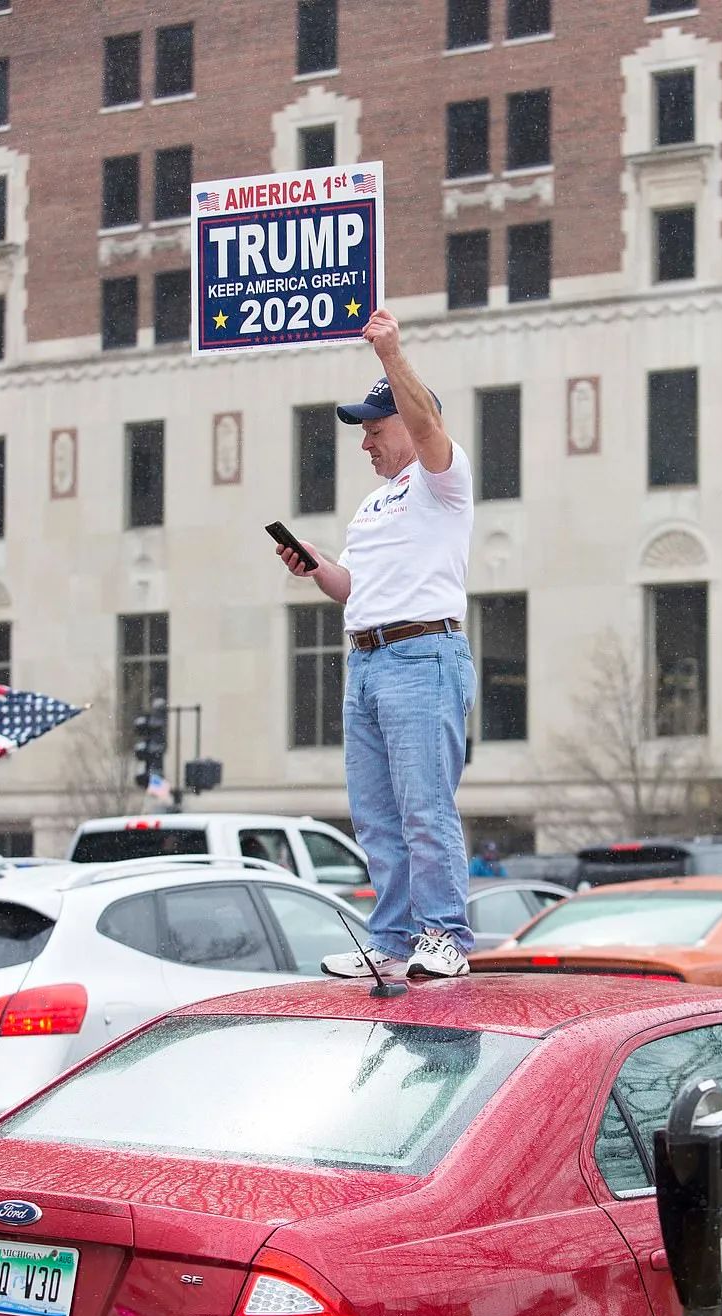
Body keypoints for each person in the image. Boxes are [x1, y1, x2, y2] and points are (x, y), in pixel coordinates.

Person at [275, 308, 476, 978]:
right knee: (378, 817)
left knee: (425, 806)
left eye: (375, 427)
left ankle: (445, 933)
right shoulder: (374, 504)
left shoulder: (442, 478)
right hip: (367, 657)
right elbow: (354, 588)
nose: (366, 442)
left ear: (411, 426)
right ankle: (393, 939)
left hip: (424, 655)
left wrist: (392, 353)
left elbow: (427, 426)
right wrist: (316, 565)